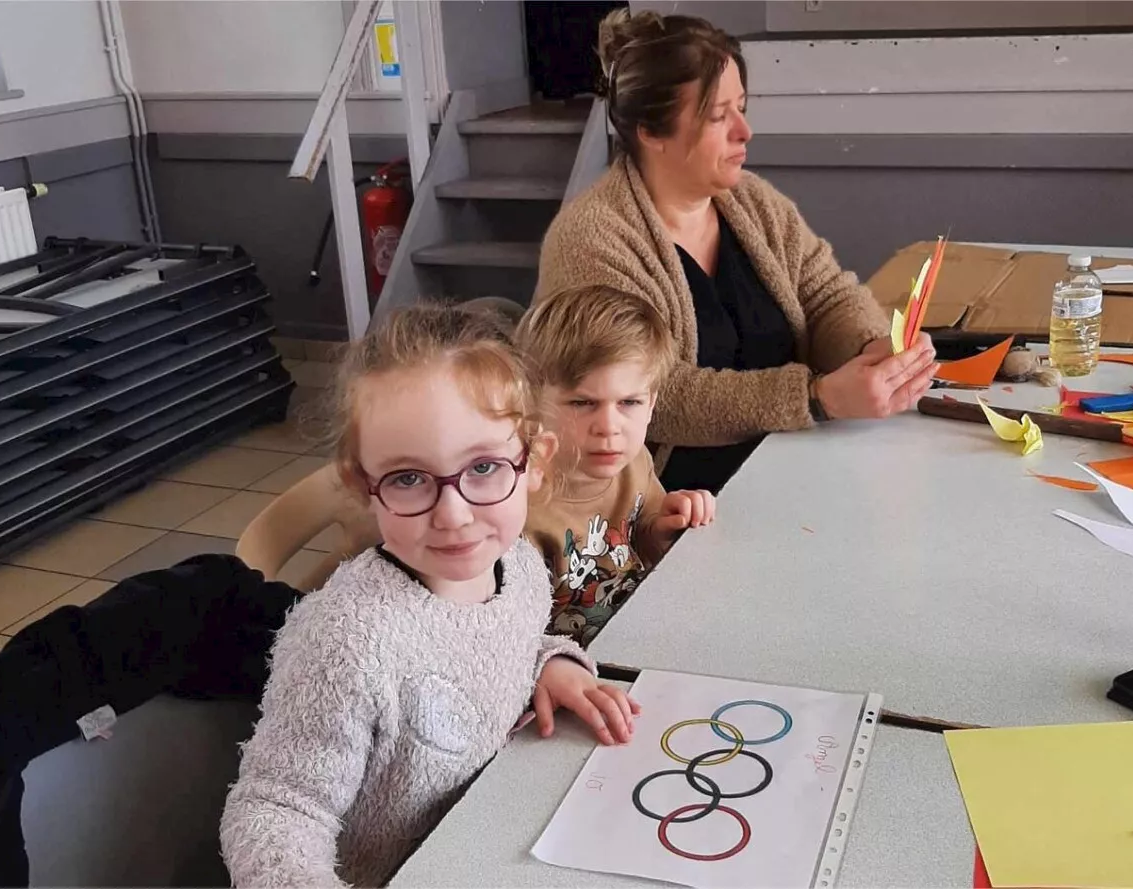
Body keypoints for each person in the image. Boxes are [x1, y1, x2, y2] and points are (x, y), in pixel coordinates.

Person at [220, 304, 639, 888]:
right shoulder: (347, 641)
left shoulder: (516, 565)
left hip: (491, 846)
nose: (455, 515)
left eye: (486, 467)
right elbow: (275, 810)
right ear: (361, 486)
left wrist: (550, 665)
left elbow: (496, 646)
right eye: (409, 479)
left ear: (534, 463)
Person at [536, 9, 939, 494]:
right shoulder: (591, 240)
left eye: (742, 108)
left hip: (796, 460)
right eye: (717, 116)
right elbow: (651, 399)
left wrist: (870, 349)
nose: (744, 131)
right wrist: (814, 399)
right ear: (650, 131)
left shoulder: (753, 201)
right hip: (677, 503)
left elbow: (828, 297)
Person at [516, 285, 716, 646]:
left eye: (629, 402)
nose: (609, 427)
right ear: (531, 402)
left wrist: (667, 526)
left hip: (644, 634)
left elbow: (647, 529)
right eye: (581, 403)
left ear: (651, 402)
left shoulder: (633, 460)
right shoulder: (516, 504)